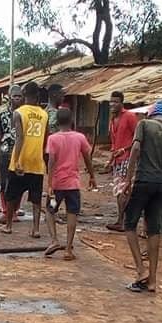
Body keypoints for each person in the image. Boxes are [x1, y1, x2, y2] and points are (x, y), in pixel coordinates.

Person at [124, 101, 162, 293]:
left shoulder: (144, 125)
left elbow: (135, 149)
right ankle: (153, 281)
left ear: (151, 115)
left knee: (129, 224)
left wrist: (127, 179)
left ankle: (141, 270)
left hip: (143, 180)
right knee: (154, 230)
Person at [44, 108, 97, 260]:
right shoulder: (79, 137)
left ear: (57, 122)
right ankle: (68, 249)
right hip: (73, 184)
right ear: (71, 121)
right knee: (72, 213)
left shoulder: (53, 139)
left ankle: (54, 240)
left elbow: (51, 162)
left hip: (56, 185)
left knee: (49, 210)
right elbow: (87, 158)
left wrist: (49, 184)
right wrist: (92, 176)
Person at [0, 81, 49, 237]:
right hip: (37, 161)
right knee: (36, 199)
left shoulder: (19, 113)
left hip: (20, 160)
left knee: (11, 195)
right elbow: (46, 138)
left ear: (25, 95)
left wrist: (18, 160)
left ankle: (8, 226)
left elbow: (20, 137)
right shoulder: (44, 114)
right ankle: (35, 229)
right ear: (37, 96)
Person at [105, 91, 138, 232]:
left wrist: (124, 150)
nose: (113, 104)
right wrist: (111, 158)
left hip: (128, 159)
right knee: (119, 191)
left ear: (121, 103)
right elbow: (113, 143)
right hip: (118, 160)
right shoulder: (112, 120)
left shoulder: (129, 117)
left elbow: (137, 139)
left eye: (116, 102)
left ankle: (123, 221)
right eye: (111, 102)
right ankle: (121, 220)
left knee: (123, 191)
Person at [0, 88, 21, 222]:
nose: (17, 99)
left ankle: (14, 210)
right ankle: (6, 210)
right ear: (9, 97)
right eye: (15, 96)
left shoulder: (24, 114)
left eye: (20, 96)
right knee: (3, 182)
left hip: (20, 152)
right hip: (4, 151)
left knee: (19, 182)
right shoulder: (1, 113)